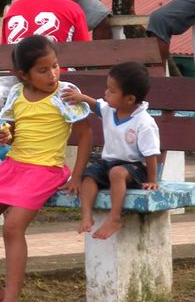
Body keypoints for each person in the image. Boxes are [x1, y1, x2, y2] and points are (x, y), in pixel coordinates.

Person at [0, 35, 91, 302]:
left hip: (45, 170)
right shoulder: (17, 95)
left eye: (56, 66)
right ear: (23, 75)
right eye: (43, 70)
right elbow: (12, 130)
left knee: (12, 227)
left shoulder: (65, 94)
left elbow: (85, 135)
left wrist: (76, 174)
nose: (52, 75)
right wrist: (5, 135)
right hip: (13, 167)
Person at [61, 62, 161, 240]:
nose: (106, 93)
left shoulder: (143, 122)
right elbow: (95, 105)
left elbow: (151, 154)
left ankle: (114, 218)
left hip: (135, 168)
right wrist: (81, 97)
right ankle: (86, 215)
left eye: (112, 91)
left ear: (129, 99)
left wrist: (152, 180)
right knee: (89, 175)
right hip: (109, 164)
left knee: (117, 173)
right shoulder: (110, 109)